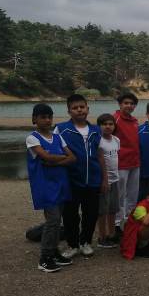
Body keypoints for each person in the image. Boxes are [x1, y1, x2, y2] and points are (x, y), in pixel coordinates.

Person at [54, 94, 105, 258]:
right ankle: (72, 244)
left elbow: (100, 155)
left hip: (93, 180)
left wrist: (105, 179)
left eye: (82, 107)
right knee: (70, 215)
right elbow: (55, 152)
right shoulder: (61, 129)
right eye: (75, 108)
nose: (79, 110)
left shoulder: (96, 130)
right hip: (71, 181)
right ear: (69, 111)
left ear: (88, 109)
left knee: (91, 214)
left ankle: (86, 242)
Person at [27, 103, 76, 272]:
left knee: (57, 221)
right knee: (53, 220)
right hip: (45, 186)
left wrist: (53, 161)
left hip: (61, 184)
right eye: (43, 117)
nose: (47, 120)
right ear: (34, 119)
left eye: (49, 117)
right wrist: (60, 159)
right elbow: (44, 155)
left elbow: (72, 157)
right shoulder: (32, 138)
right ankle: (45, 257)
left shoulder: (57, 137)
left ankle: (54, 251)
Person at [113, 93, 140, 237]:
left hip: (135, 162)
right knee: (120, 195)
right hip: (121, 162)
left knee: (133, 194)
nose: (129, 106)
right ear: (120, 104)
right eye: (126, 103)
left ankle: (131, 220)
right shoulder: (114, 119)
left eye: (131, 103)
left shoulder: (135, 121)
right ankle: (117, 223)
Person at [96, 114, 121, 248]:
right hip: (104, 181)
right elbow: (100, 161)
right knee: (102, 210)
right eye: (104, 124)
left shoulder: (116, 140)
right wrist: (104, 180)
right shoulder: (99, 141)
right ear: (99, 126)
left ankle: (112, 234)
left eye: (111, 124)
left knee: (113, 209)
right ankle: (102, 236)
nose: (108, 126)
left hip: (115, 178)